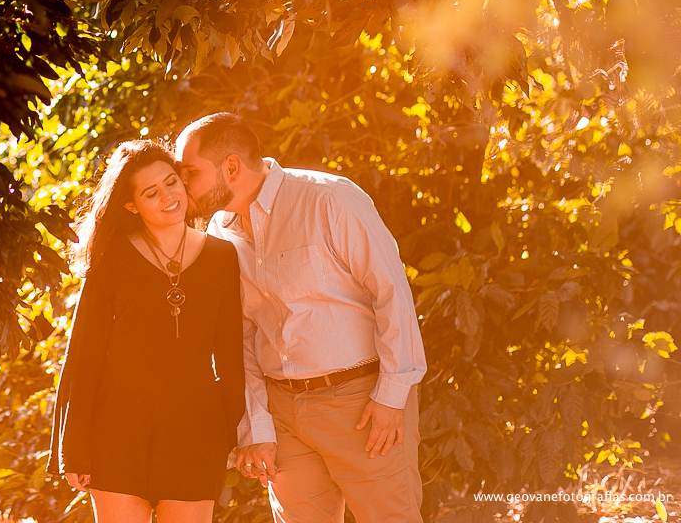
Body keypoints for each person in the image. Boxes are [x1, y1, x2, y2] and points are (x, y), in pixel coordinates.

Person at [175, 113, 427, 523]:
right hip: (284, 414)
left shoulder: (329, 199)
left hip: (361, 404)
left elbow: (391, 292)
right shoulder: (219, 235)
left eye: (190, 172)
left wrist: (391, 396)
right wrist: (257, 429)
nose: (182, 184)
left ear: (232, 166)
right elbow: (240, 337)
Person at [49, 139, 245, 523]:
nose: (168, 197)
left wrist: (229, 431)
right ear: (131, 204)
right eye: (150, 193)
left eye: (172, 182)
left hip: (194, 429)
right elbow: (84, 357)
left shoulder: (223, 258)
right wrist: (73, 449)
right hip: (117, 429)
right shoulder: (112, 260)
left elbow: (231, 355)